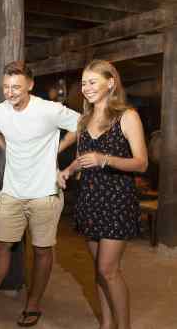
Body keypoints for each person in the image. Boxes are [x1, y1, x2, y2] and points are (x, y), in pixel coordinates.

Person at [0, 61, 79, 327]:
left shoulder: (49, 110)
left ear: (30, 85)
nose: (10, 93)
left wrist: (58, 148)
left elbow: (81, 123)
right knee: (1, 245)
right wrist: (7, 149)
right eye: (6, 87)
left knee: (42, 250)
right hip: (12, 192)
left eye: (16, 88)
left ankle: (33, 304)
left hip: (45, 193)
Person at [58, 60, 147, 329]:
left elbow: (141, 162)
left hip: (117, 200)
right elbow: (84, 158)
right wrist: (67, 170)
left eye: (92, 82)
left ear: (111, 83)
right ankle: (106, 325)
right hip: (90, 199)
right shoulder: (83, 121)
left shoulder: (127, 116)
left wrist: (104, 159)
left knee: (109, 270)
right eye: (83, 83)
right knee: (99, 270)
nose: (86, 88)